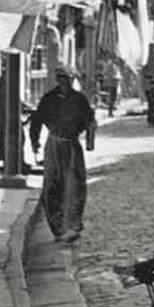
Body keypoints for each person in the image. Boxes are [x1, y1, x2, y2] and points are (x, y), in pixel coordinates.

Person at [29, 64, 95, 243]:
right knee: (52, 186)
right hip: (54, 146)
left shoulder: (79, 99)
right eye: (60, 78)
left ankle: (73, 225)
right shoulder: (49, 99)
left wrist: (90, 139)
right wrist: (34, 142)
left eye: (66, 78)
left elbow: (90, 120)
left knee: (75, 186)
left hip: (72, 146)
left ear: (72, 79)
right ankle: (58, 227)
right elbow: (37, 120)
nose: (63, 81)